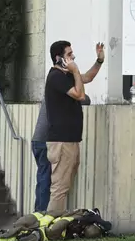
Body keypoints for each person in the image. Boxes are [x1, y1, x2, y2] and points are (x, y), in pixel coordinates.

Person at [45, 40, 104, 211]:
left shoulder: (66, 75)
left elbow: (88, 78)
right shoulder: (56, 77)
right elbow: (79, 95)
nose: (73, 57)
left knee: (64, 186)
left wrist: (99, 60)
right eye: (69, 55)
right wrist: (75, 70)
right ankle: (52, 229)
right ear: (58, 58)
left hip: (70, 140)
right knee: (59, 188)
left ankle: (58, 224)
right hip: (61, 142)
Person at [31, 94, 91, 212]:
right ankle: (43, 213)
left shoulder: (51, 92)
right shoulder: (62, 92)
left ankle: (38, 212)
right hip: (47, 141)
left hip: (38, 140)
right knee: (48, 180)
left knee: (43, 177)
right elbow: (86, 99)